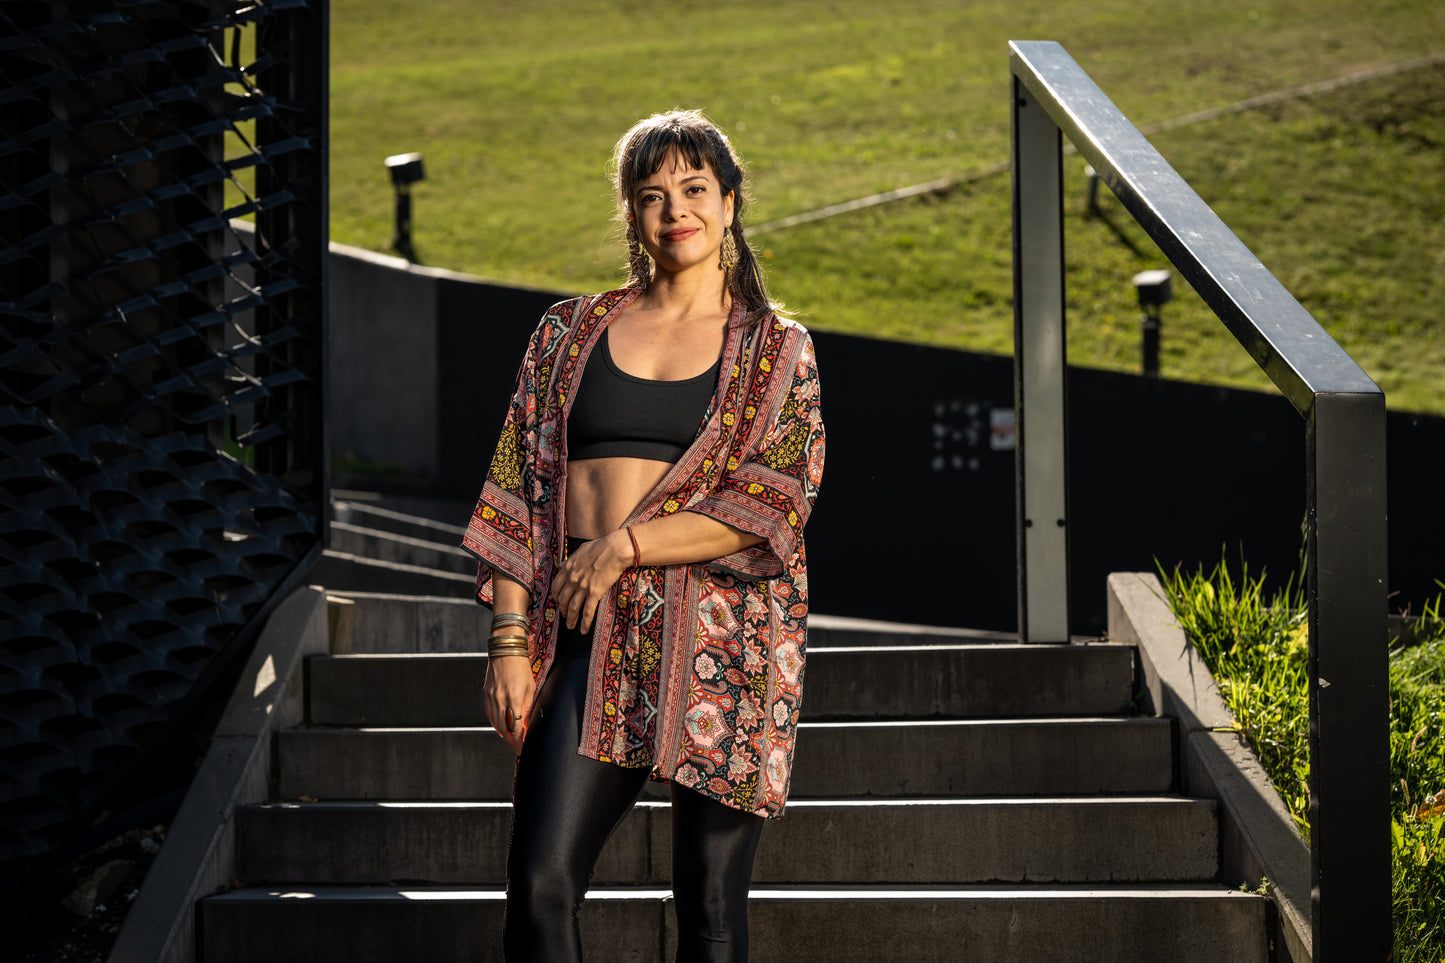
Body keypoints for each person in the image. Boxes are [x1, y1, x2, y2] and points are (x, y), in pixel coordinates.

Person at [461, 108, 825, 963]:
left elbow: (772, 501)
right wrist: (508, 641)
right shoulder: (565, 332)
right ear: (629, 212)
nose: (675, 211)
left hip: (728, 641)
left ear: (730, 203)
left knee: (706, 904)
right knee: (540, 883)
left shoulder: (776, 348)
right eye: (652, 194)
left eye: (694, 189)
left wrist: (622, 544)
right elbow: (518, 484)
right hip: (586, 632)